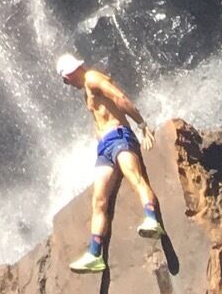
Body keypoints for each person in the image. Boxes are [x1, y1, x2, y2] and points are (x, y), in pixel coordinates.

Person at [57, 51, 164, 271]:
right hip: (104, 148)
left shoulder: (93, 79)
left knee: (135, 177)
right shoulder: (86, 91)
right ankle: (95, 254)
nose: (66, 84)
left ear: (69, 74)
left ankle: (152, 219)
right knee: (99, 200)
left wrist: (142, 125)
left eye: (64, 79)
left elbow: (119, 98)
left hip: (119, 136)